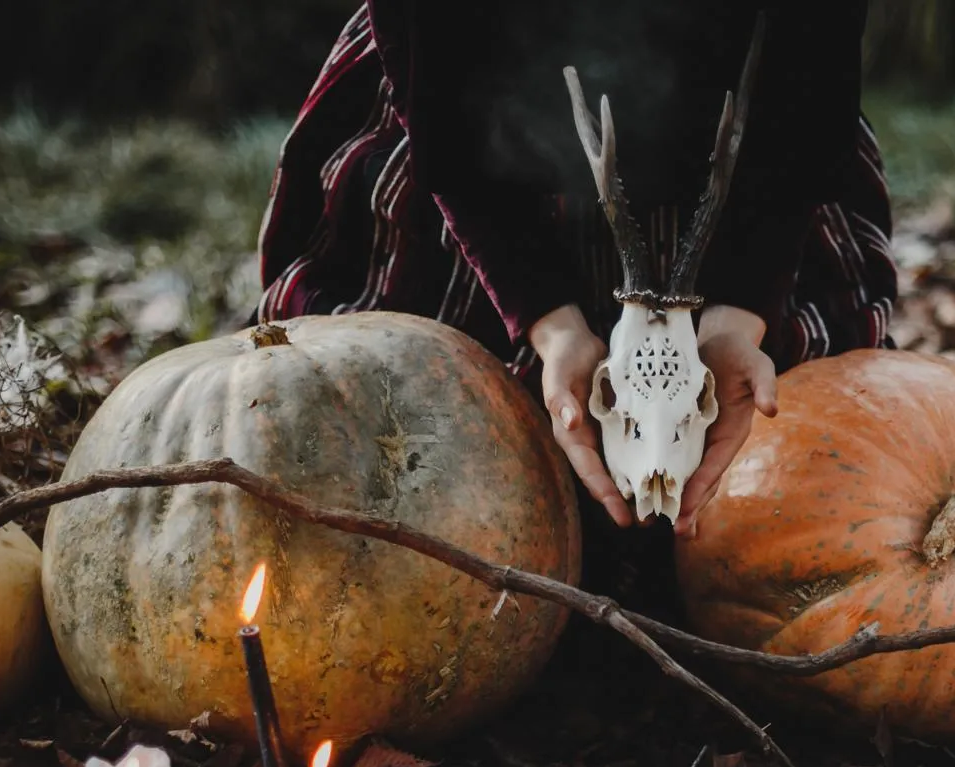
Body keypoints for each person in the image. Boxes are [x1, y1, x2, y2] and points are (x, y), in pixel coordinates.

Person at [257, 1, 897, 544]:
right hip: (463, 117)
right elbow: (441, 78)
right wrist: (548, 321)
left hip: (761, 130)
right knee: (409, 444)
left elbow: (811, 48)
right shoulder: (458, 79)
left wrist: (741, 314)